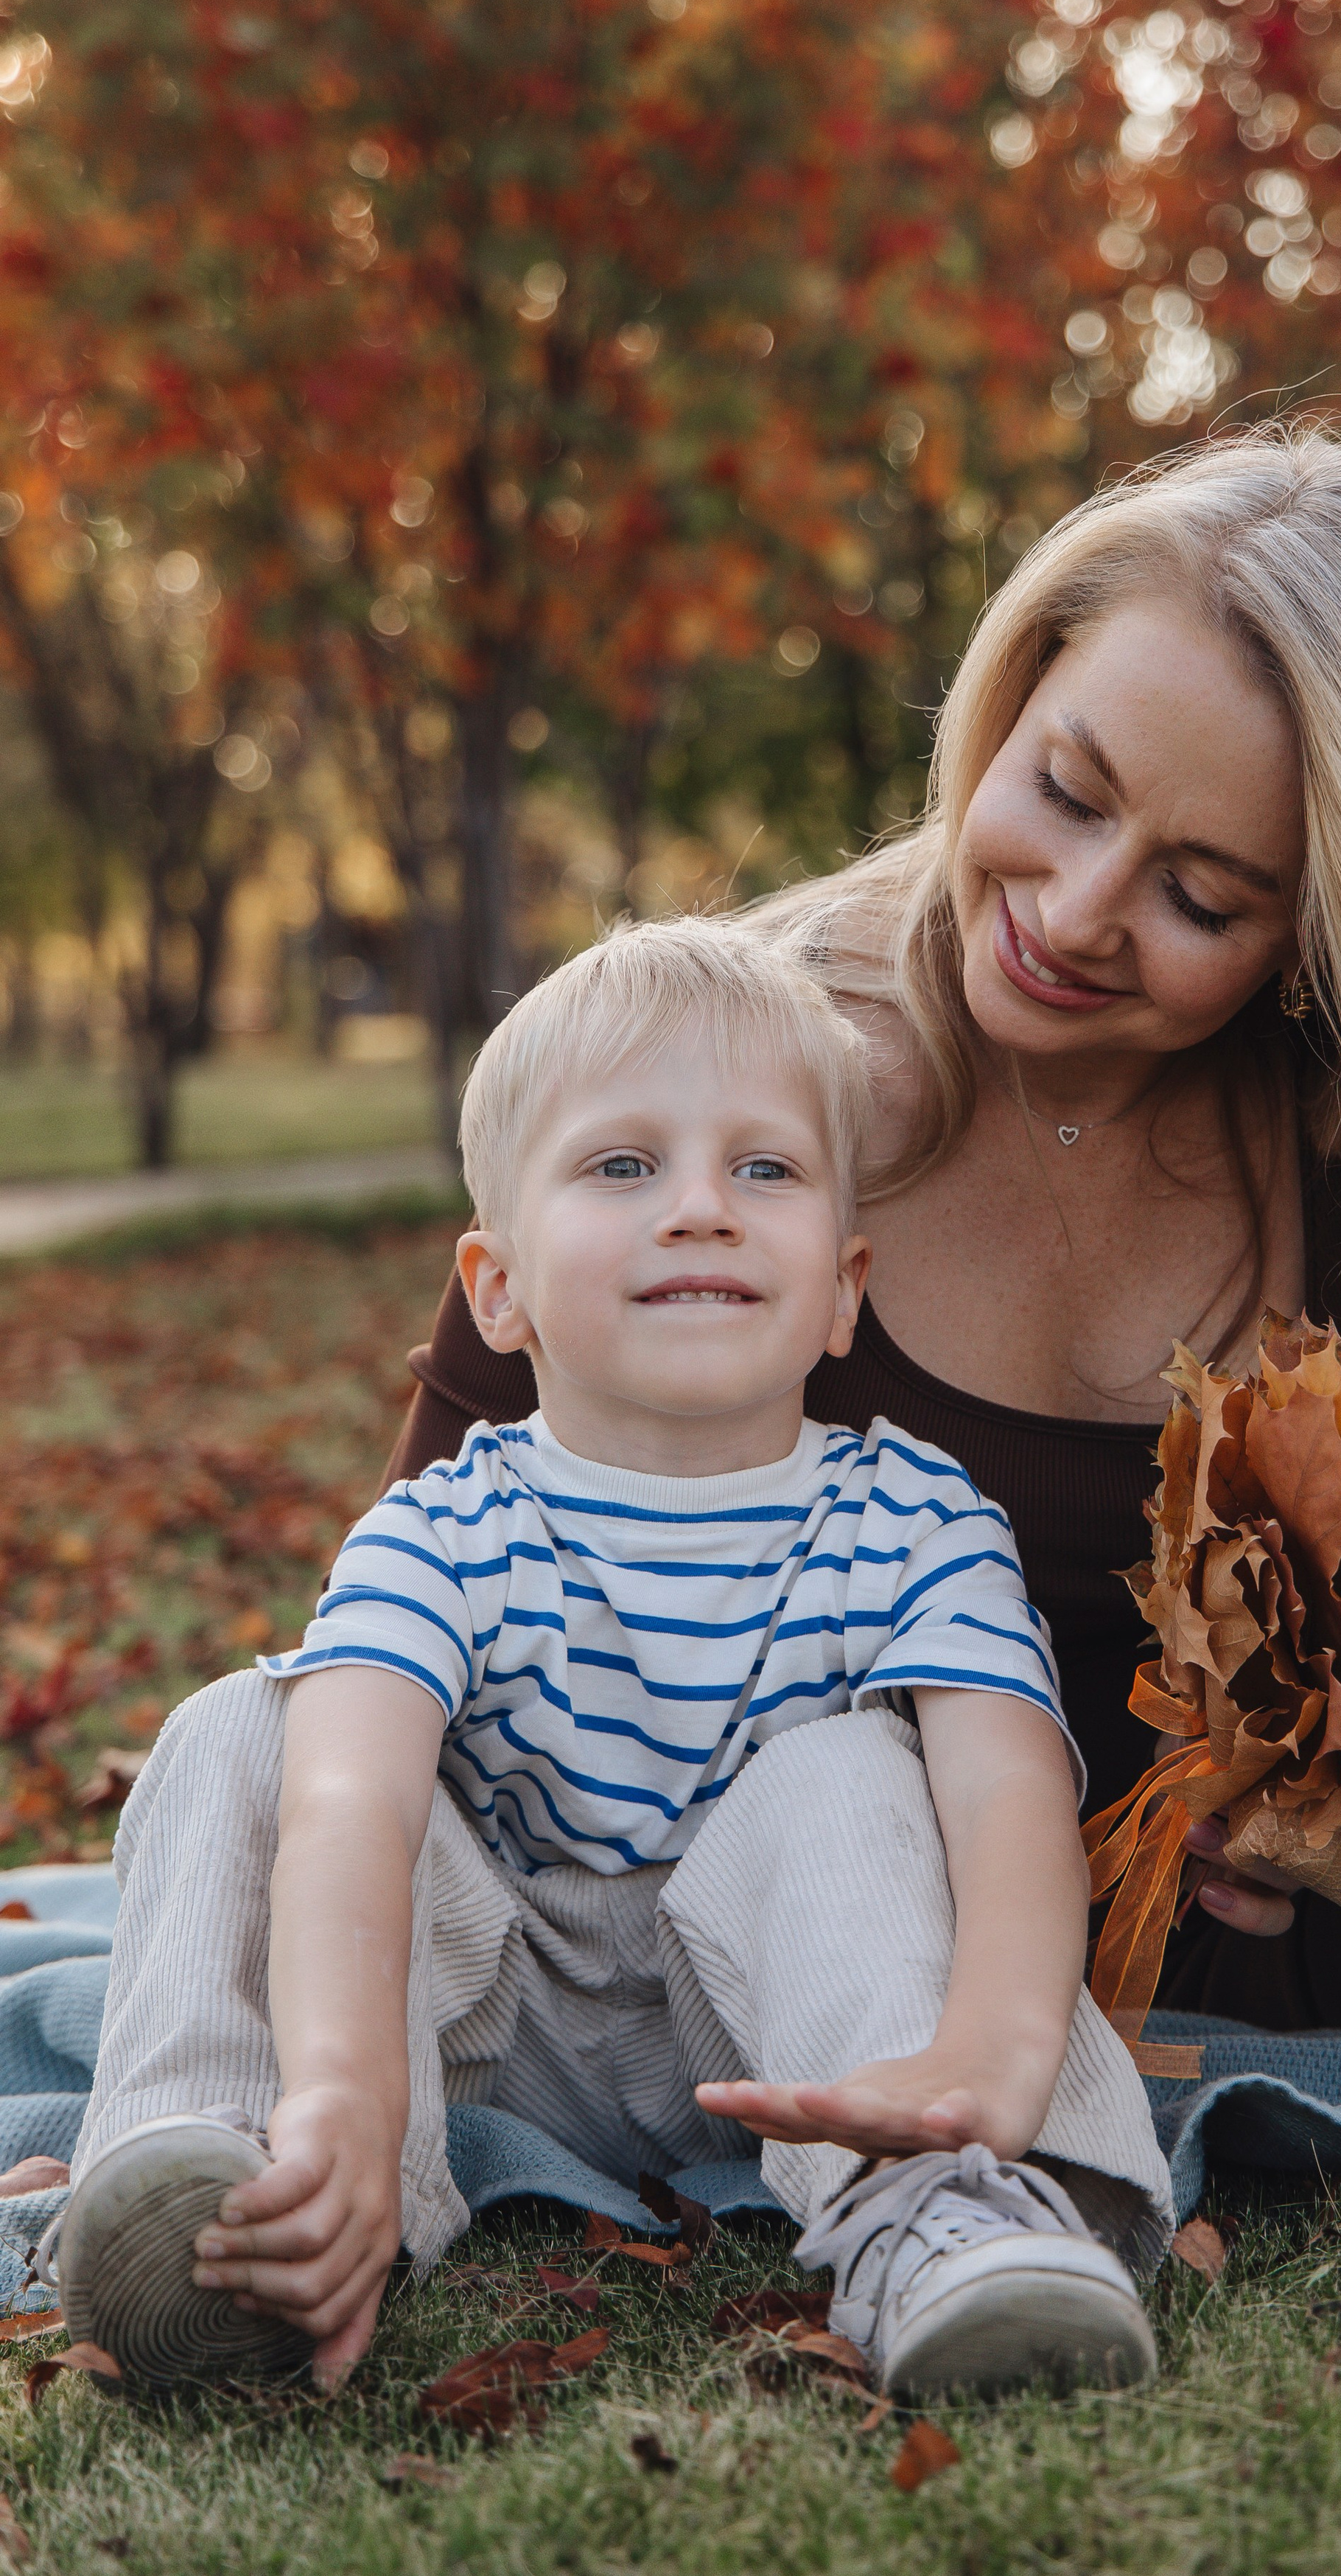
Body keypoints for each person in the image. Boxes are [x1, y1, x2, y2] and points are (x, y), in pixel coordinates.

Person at [395, 425, 1341, 2038]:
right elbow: (427, 1619)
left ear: (1324, 935)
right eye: (1065, 789)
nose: (1077, 909)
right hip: (938, 1945)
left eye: (1202, 897)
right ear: (1008, 698)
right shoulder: (713, 1093)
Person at [48, 920, 1172, 2393]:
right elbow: (350, 1811)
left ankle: (937, 2210)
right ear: (495, 1289)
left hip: (805, 2040)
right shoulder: (442, 1528)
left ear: (842, 1290)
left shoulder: (911, 1516)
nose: (700, 1207)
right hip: (484, 2017)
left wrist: (993, 2054)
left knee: (848, 1771)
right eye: (623, 1167)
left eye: (761, 1169)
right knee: (248, 1731)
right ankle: (250, 2182)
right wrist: (346, 2079)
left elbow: (1007, 1803)